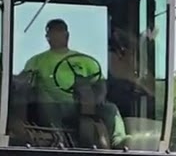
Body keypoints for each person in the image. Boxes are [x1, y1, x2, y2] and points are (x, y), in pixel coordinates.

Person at [18, 18, 126, 146]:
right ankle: (58, 139)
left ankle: (119, 141)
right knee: (44, 100)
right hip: (53, 104)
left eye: (60, 31)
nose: (57, 35)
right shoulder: (36, 61)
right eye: (53, 32)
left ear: (67, 35)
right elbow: (23, 80)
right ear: (47, 37)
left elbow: (100, 83)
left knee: (110, 109)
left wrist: (98, 98)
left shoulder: (86, 61)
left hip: (81, 103)